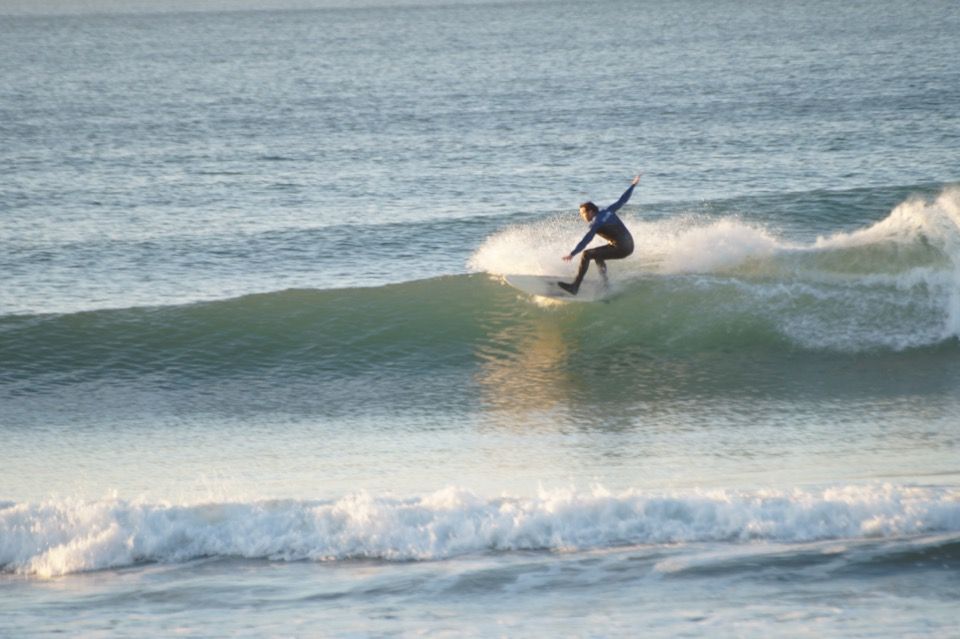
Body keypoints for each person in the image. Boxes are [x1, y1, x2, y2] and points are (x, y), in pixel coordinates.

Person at [559, 174, 641, 295]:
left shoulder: (596, 222)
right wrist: (633, 185)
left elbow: (587, 239)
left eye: (583, 213)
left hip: (621, 247)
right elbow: (623, 200)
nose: (582, 216)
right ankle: (605, 284)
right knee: (597, 255)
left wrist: (573, 253)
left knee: (586, 254)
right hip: (629, 245)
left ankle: (575, 286)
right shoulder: (607, 210)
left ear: (591, 211)